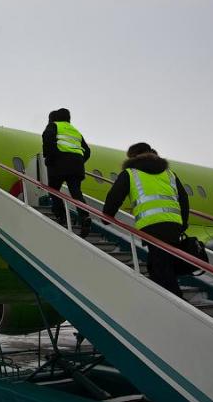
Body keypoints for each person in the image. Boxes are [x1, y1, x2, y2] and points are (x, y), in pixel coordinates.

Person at [102, 143, 189, 297]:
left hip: (151, 225)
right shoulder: (169, 174)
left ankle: (176, 302)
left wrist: (107, 216)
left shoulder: (130, 173)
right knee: (162, 264)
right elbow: (183, 199)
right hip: (173, 225)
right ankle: (168, 296)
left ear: (133, 156)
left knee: (160, 266)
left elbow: (115, 196)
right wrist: (183, 224)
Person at [42, 108, 92, 237]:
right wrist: (80, 160)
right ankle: (84, 216)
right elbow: (87, 151)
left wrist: (50, 158)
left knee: (53, 190)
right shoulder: (75, 131)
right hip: (76, 166)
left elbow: (47, 139)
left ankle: (61, 216)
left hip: (59, 164)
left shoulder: (54, 125)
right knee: (76, 192)